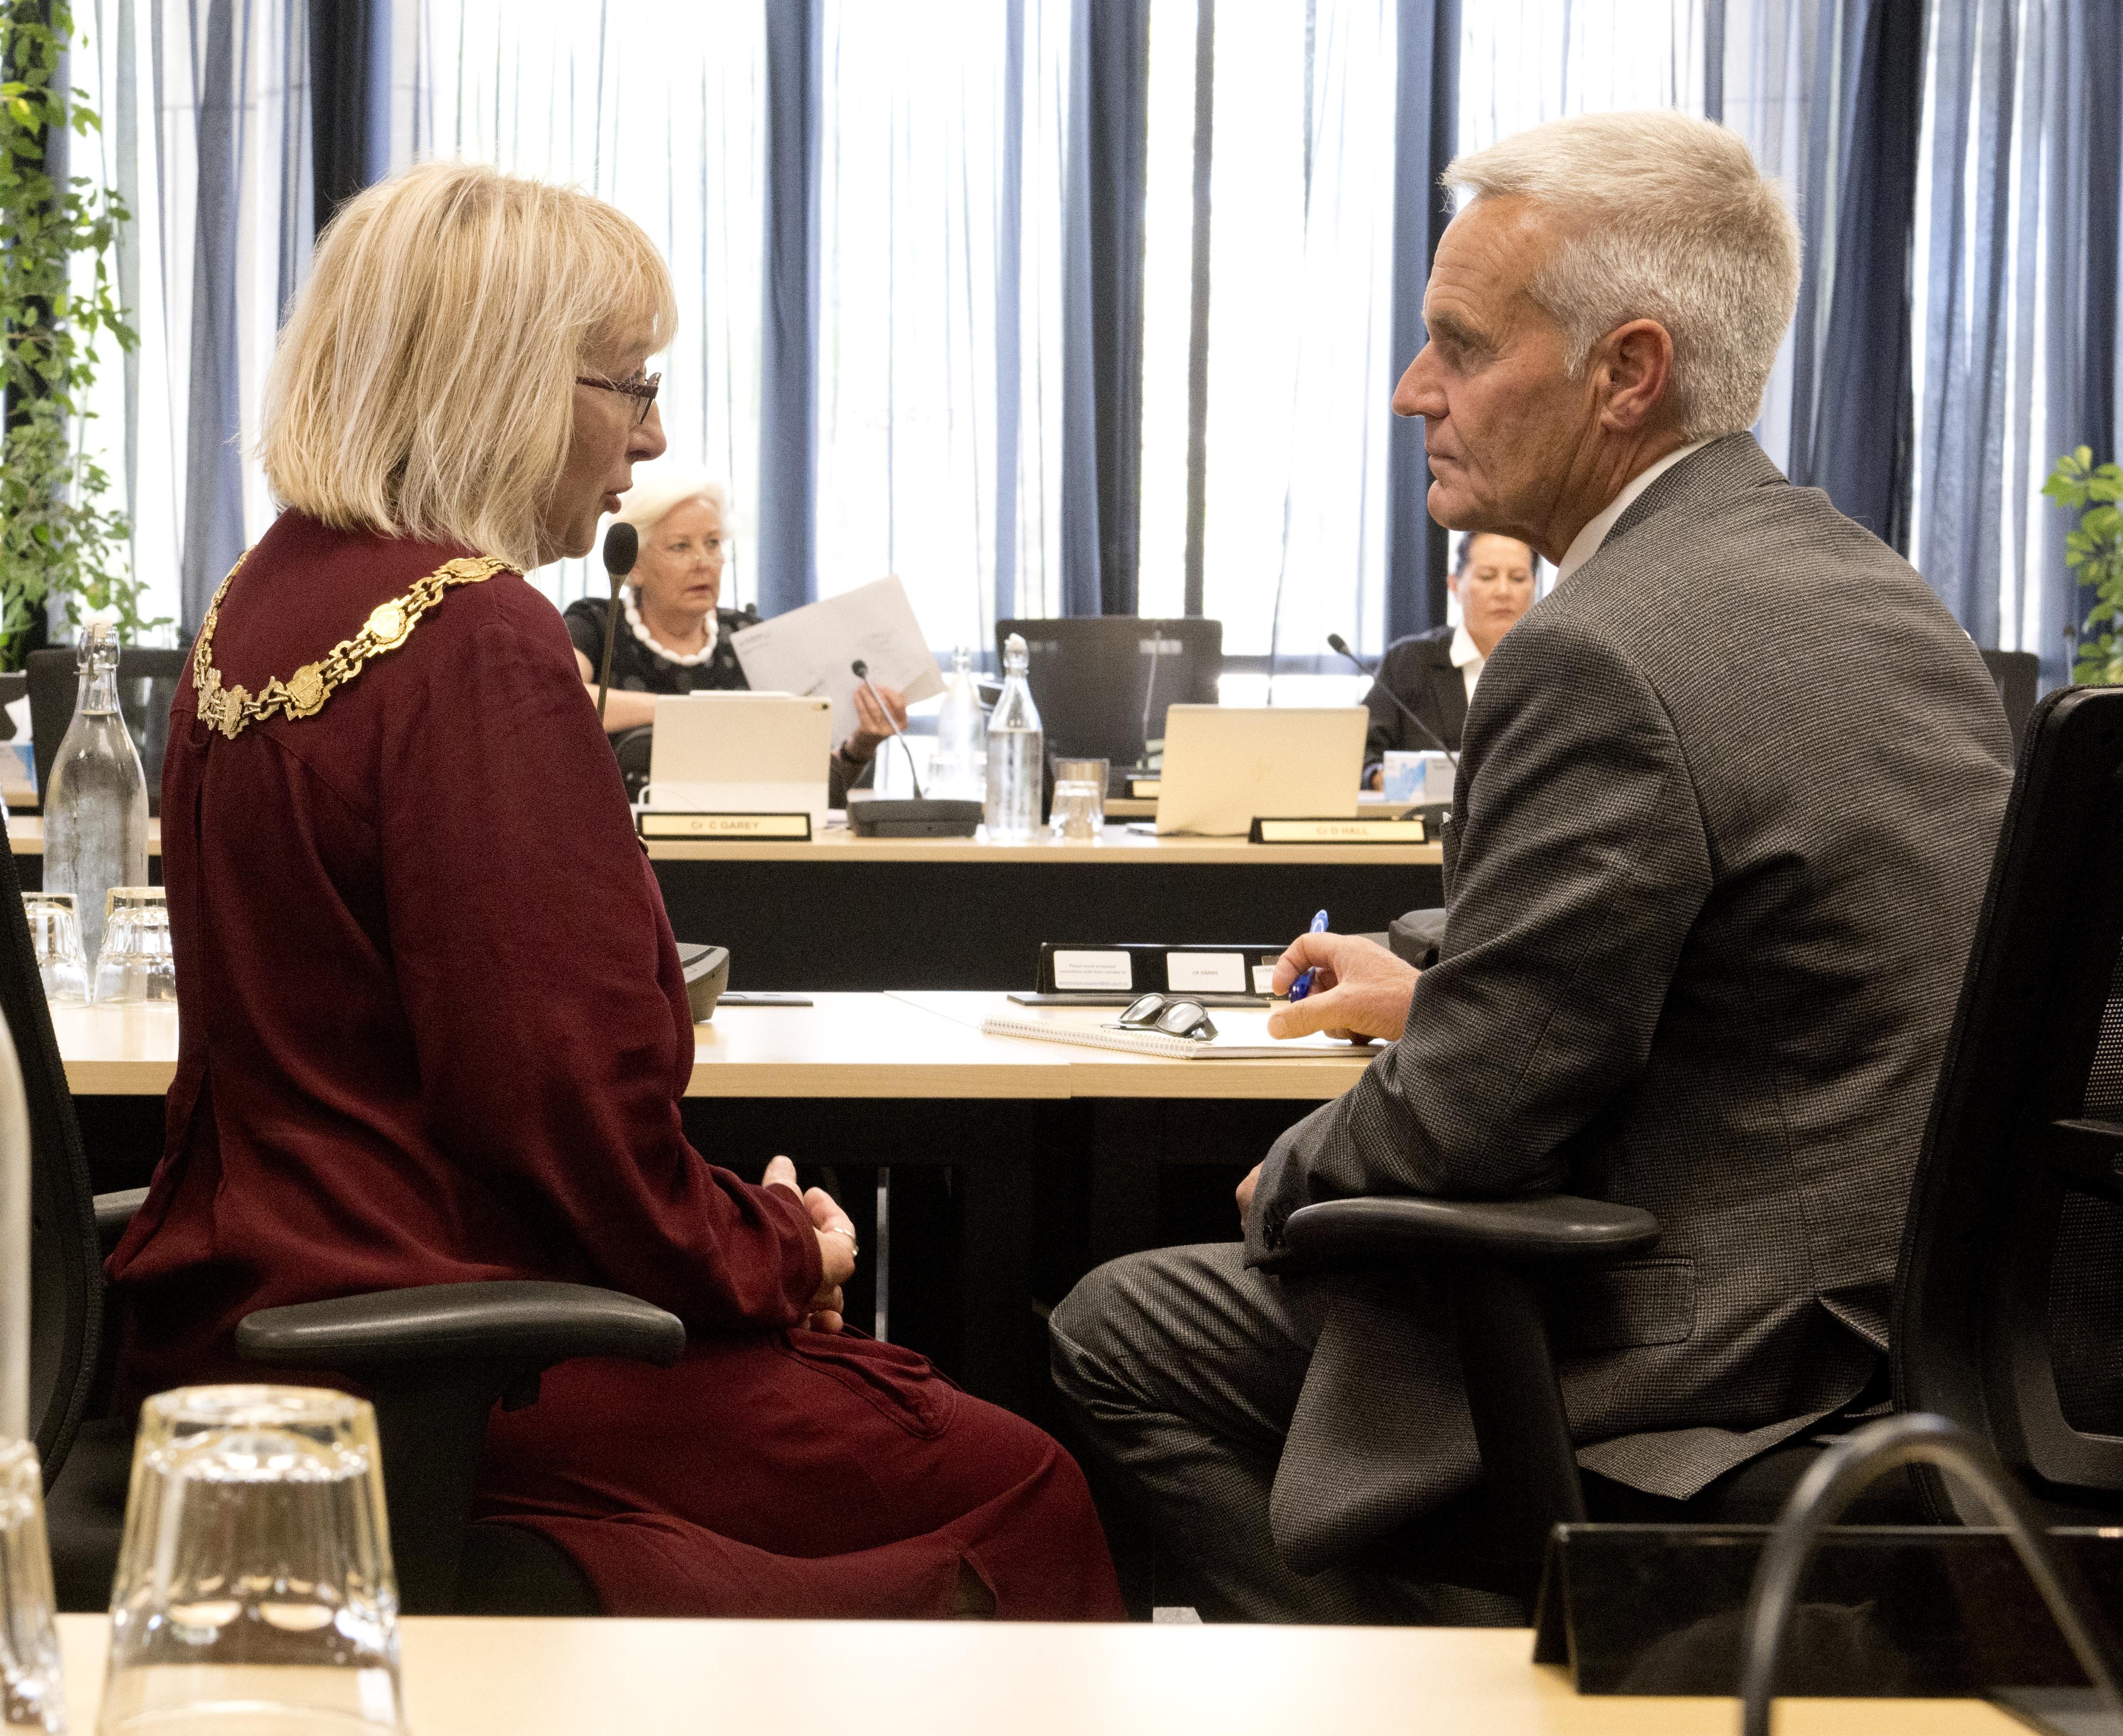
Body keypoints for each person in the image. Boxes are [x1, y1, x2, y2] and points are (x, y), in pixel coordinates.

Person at [106, 160, 1122, 1622]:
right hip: (453, 1356)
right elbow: (556, 1112)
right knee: (1019, 1481)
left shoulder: (258, 595)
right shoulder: (479, 637)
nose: (650, 442)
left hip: (252, 1324)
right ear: (504, 379)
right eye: (629, 388)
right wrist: (784, 1249)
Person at [1050, 110, 2015, 1623]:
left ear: (1626, 371)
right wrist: (1444, 978)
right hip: (1925, 1322)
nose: (1409, 390)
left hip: (1720, 1347)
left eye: (1459, 345)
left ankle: (1442, 1686)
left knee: (1122, 1326)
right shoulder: (1876, 589)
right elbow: (1756, 940)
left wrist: (1290, 1180)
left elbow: (1465, 1123)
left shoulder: (1595, 651)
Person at [562, 465, 909, 806]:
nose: (704, 562)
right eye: (680, 547)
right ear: (635, 566)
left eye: (713, 544)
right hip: (619, 842)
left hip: (747, 851)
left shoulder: (749, 637)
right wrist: (682, 712)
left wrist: (861, 746)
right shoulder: (597, 623)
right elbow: (561, 698)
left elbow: (808, 786)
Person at [1362, 532, 1536, 785]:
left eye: (1518, 578)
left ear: (1535, 585)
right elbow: (1360, 751)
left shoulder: (1555, 665)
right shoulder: (1410, 661)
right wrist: (1380, 778)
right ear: (1455, 586)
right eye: (1487, 577)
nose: (1503, 591)